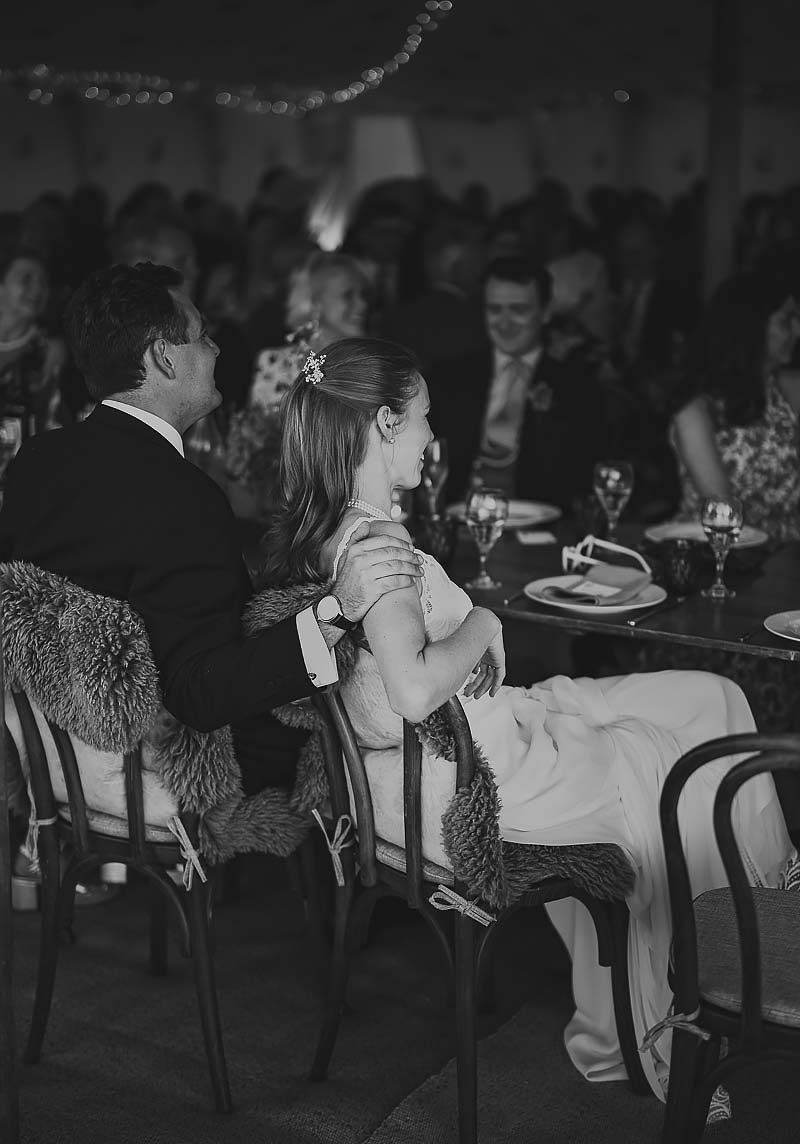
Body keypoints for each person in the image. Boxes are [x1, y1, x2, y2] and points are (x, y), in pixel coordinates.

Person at [263, 336, 793, 1102]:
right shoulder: (377, 544)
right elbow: (413, 692)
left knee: (714, 698)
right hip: (487, 773)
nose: (433, 439)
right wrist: (484, 621)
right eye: (423, 419)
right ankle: (715, 988)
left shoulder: (334, 527)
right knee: (673, 765)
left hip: (484, 734)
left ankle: (765, 918)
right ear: (382, 423)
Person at [0, 264, 422, 797]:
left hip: (56, 769)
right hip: (163, 777)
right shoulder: (183, 498)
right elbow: (204, 692)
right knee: (353, 733)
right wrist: (336, 608)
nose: (217, 350)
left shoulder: (35, 462)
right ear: (162, 356)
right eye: (202, 336)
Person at [226, 252, 370, 518]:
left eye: (362, 294)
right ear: (314, 304)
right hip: (289, 512)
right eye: (348, 295)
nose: (361, 304)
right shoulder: (277, 364)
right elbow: (255, 456)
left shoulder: (367, 365)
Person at [458, 256, 608, 509]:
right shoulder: (452, 377)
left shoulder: (577, 386)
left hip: (544, 528)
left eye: (518, 310)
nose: (504, 323)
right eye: (494, 309)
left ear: (546, 311)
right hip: (461, 522)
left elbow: (583, 477)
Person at [671, 268, 800, 541]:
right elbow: (724, 515)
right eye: (787, 320)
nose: (798, 330)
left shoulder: (788, 389)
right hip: (720, 558)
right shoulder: (697, 411)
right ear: (751, 327)